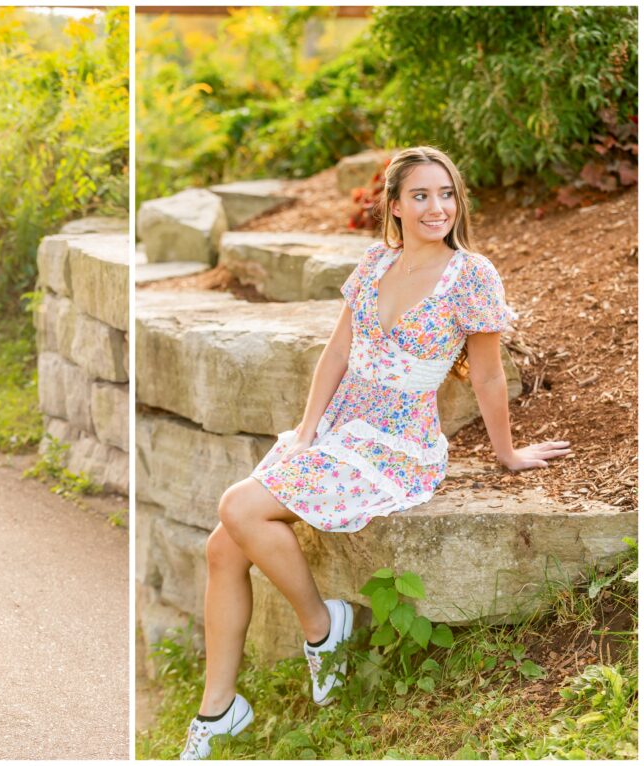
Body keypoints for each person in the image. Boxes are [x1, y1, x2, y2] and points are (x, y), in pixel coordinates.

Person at [178, 146, 571, 759]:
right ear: (394, 205)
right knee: (223, 546)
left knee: (240, 507)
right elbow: (337, 353)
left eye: (446, 194)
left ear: (458, 201)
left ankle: (321, 625)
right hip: (337, 429)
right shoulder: (374, 262)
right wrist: (307, 431)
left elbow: (490, 378)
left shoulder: (471, 276)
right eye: (420, 195)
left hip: (396, 444)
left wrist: (508, 454)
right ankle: (219, 709)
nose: (436, 207)